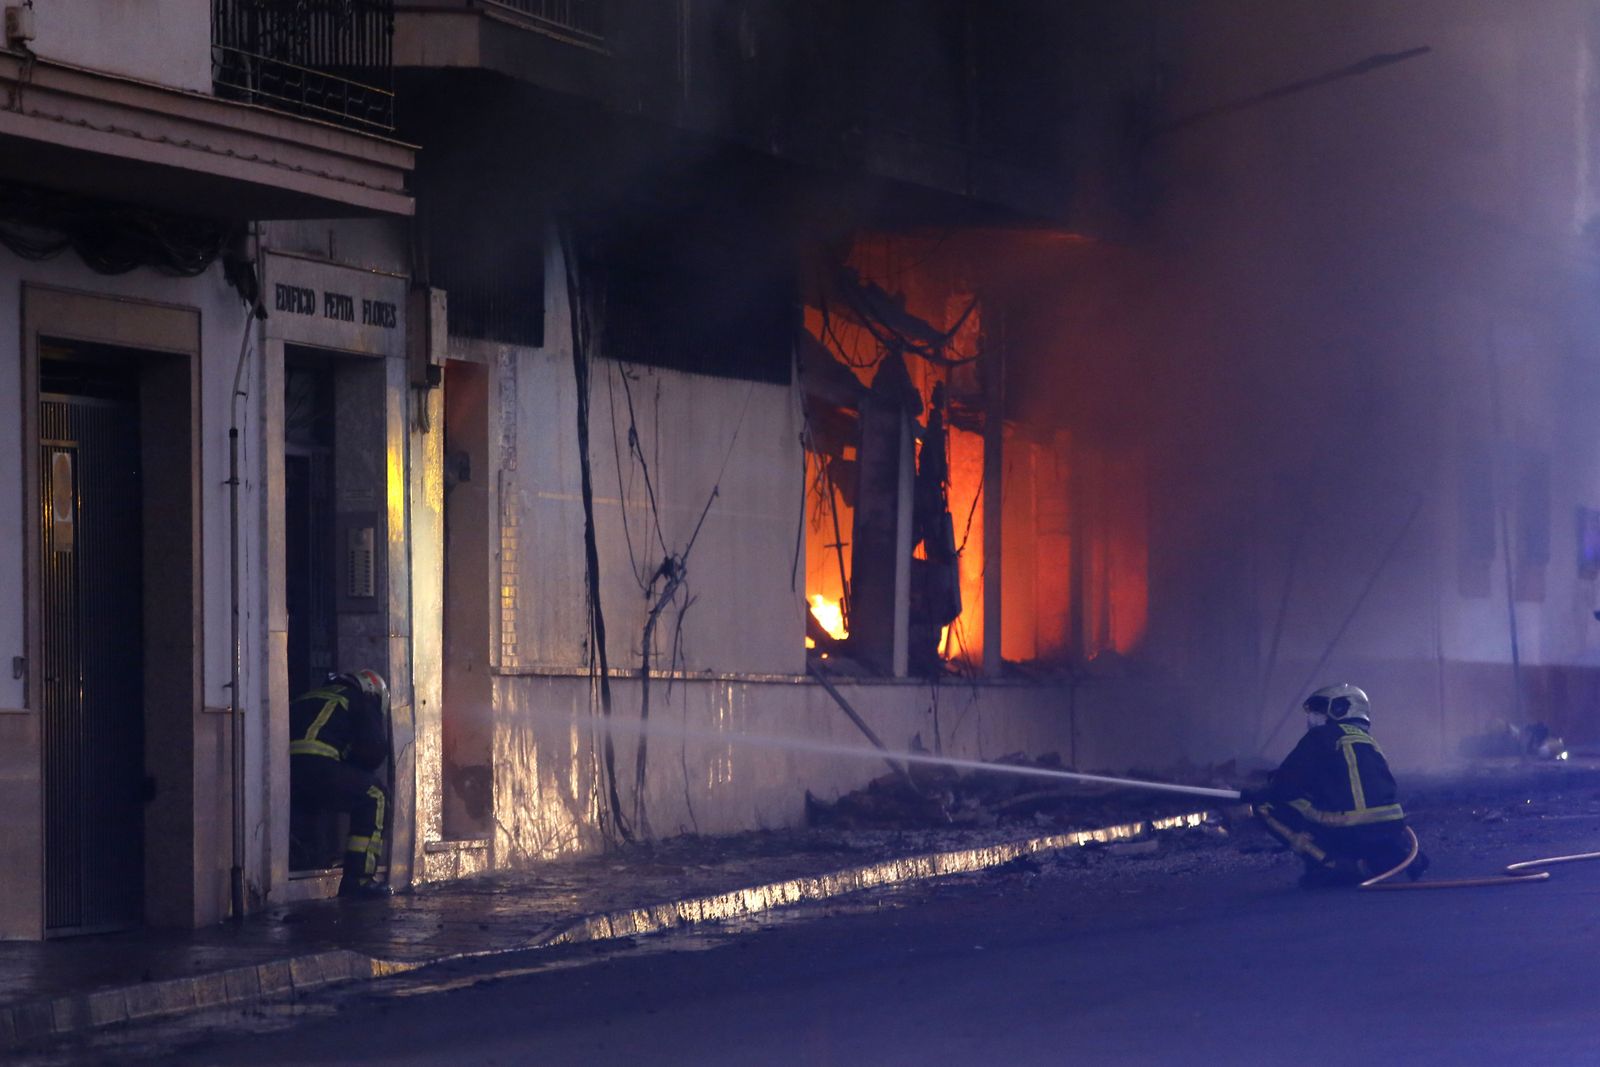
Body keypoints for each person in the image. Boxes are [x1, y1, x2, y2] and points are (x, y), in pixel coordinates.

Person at [1242, 683, 1429, 887]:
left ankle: (1331, 864)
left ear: (1341, 708)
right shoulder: (1368, 742)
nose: (1314, 716)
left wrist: (1258, 792)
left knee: (1265, 804)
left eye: (1320, 709)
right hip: (1390, 827)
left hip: (1349, 828)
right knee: (1365, 830)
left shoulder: (1321, 736)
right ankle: (1393, 856)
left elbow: (1285, 784)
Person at [290, 669, 392, 899]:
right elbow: (373, 751)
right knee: (375, 795)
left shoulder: (308, 697)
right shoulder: (361, 700)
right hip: (319, 768)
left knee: (316, 801)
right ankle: (359, 880)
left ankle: (312, 855)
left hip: (287, 774)